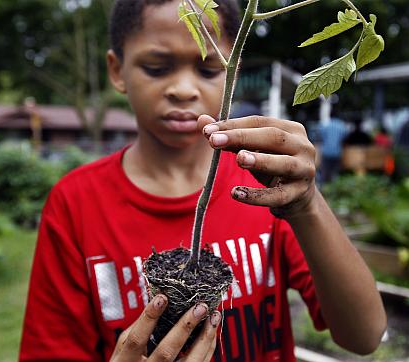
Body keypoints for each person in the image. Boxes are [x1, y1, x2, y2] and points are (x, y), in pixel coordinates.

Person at [19, 1, 386, 361]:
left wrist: (306, 203)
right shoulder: (75, 203)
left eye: (209, 69)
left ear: (234, 70)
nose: (182, 89)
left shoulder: (268, 190)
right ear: (117, 71)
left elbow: (364, 335)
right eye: (156, 67)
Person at [318, 115, 348, 183]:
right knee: (334, 173)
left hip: (326, 152)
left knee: (324, 172)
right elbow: (345, 138)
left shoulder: (325, 125)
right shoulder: (341, 126)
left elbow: (320, 137)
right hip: (337, 152)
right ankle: (334, 188)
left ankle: (323, 189)